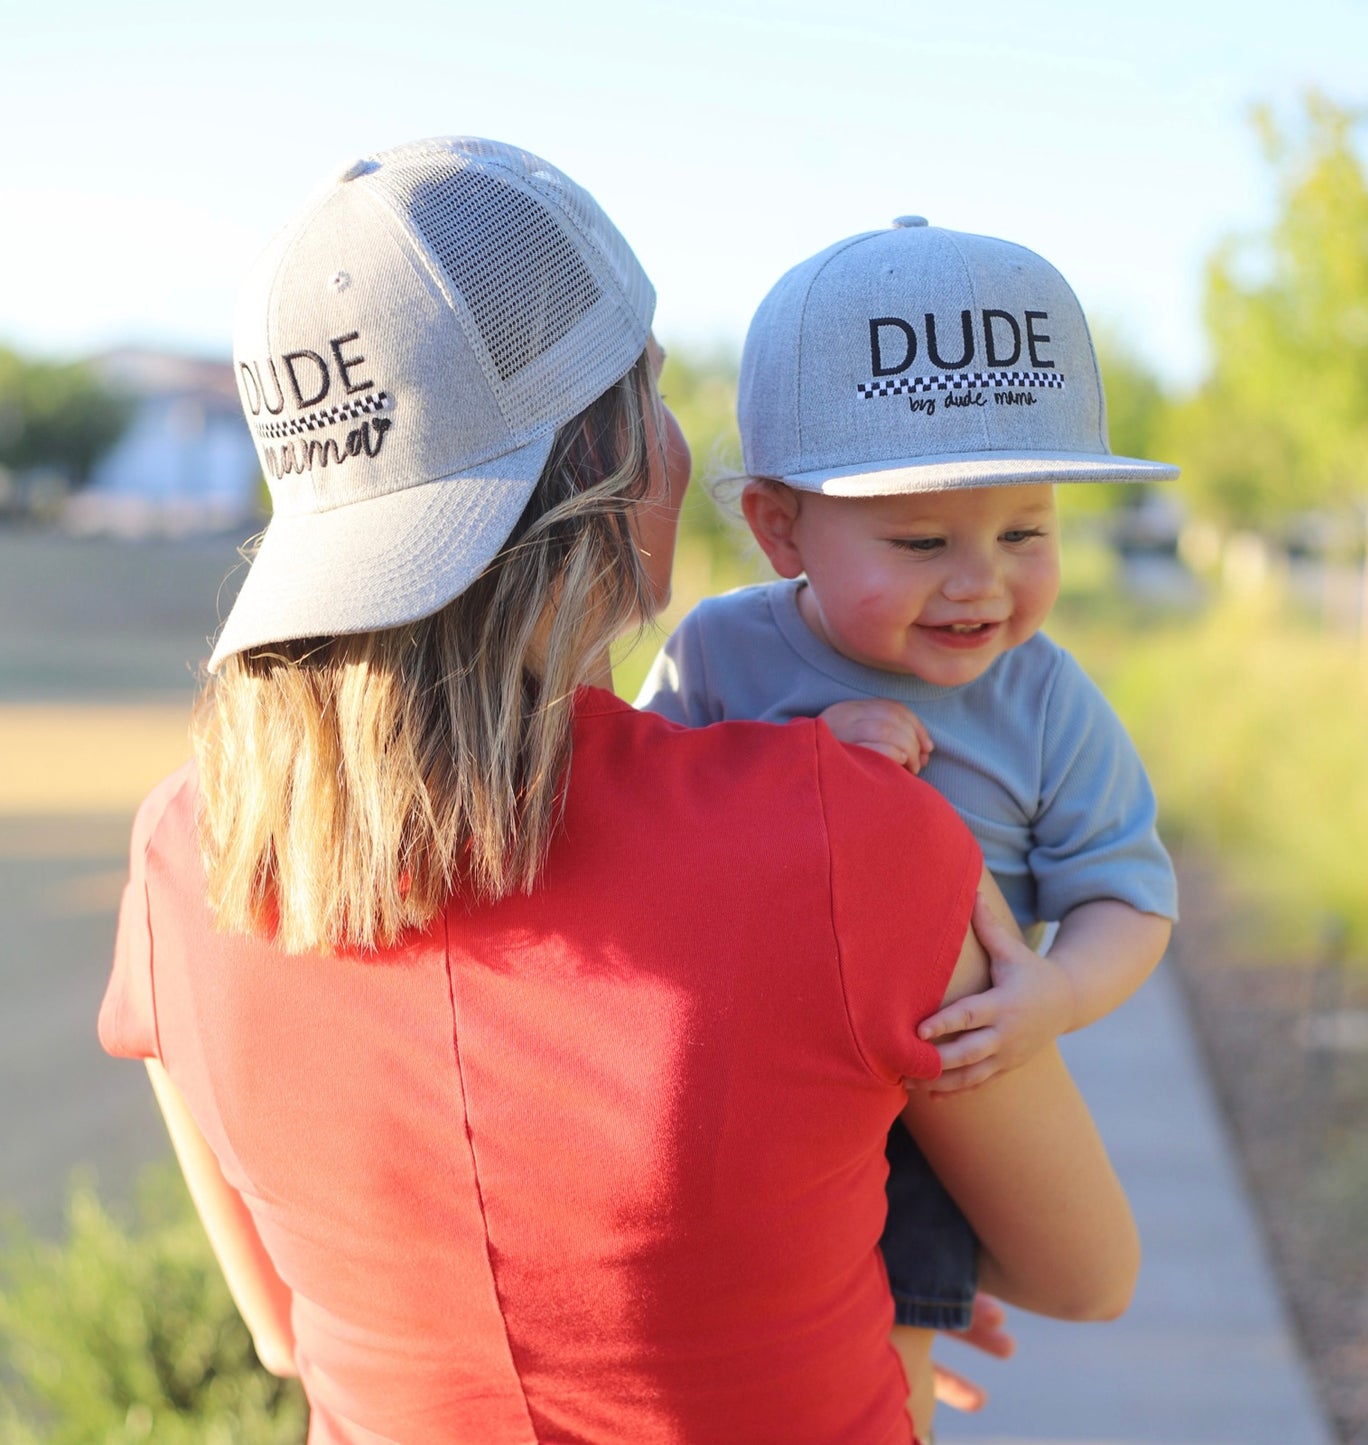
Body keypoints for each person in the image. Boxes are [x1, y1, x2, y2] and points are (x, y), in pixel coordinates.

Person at [99, 139, 1138, 1445]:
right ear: (621, 471)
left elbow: (279, 1329)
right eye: (650, 390)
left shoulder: (187, 852)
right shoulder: (847, 833)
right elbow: (1083, 1272)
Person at [636, 217, 1178, 1438]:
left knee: (888, 1367)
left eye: (1024, 531)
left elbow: (1126, 892)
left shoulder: (1040, 697)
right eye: (921, 540)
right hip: (740, 1084)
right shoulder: (720, 651)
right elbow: (643, 817)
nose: (981, 580)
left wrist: (1053, 996)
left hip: (926, 1102)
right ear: (779, 527)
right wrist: (788, 768)